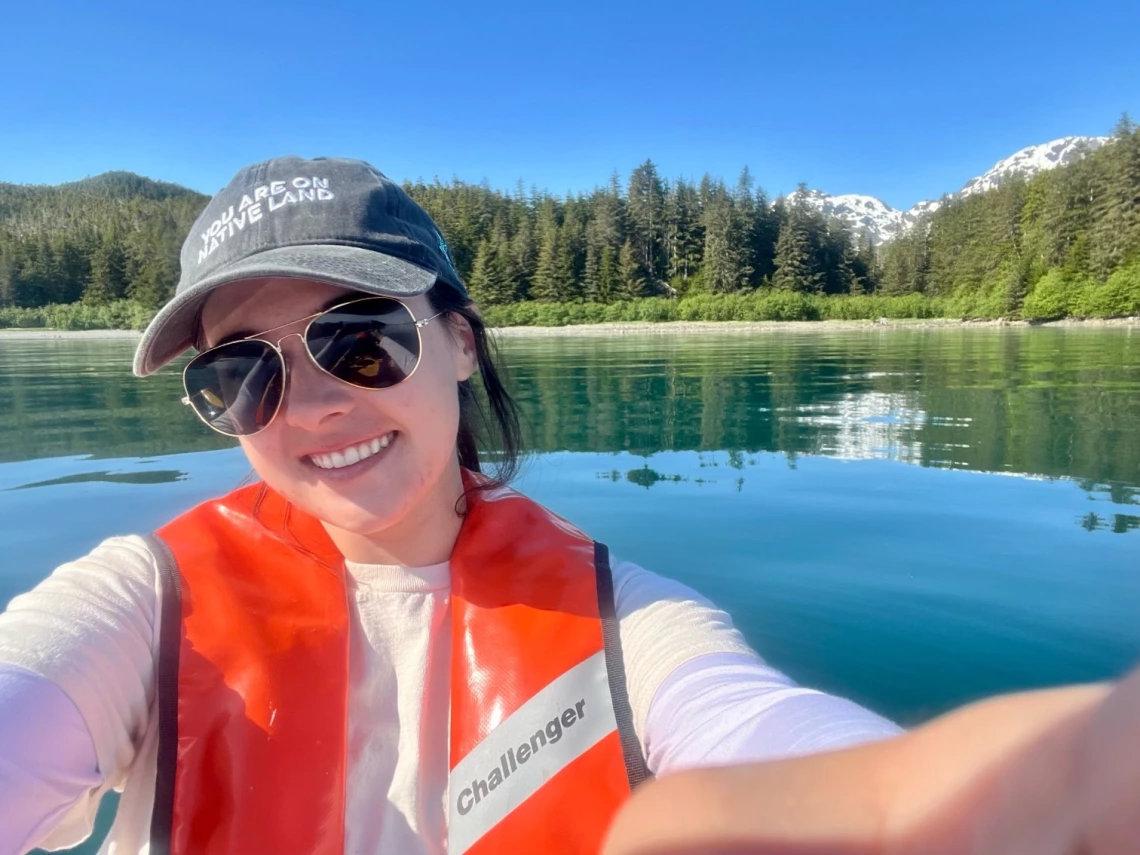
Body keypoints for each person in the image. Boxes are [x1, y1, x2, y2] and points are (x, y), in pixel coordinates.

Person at [1, 156, 1136, 855]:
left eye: (357, 339)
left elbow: (755, 727)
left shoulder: (629, 626)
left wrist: (987, 806)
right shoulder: (136, 606)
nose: (307, 407)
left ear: (457, 341)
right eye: (240, 374)